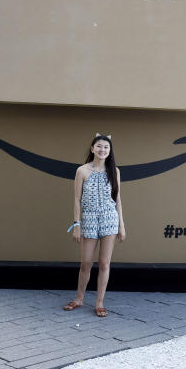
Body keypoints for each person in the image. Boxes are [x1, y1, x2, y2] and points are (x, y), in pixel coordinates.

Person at [63, 134, 126, 317]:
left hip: (109, 219)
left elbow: (118, 199)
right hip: (89, 219)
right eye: (99, 146)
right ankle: (79, 298)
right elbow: (76, 199)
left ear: (109, 150)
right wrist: (77, 224)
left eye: (106, 147)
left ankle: (99, 303)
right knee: (86, 263)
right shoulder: (82, 171)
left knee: (105, 263)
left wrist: (122, 225)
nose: (102, 150)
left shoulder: (115, 171)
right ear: (92, 149)